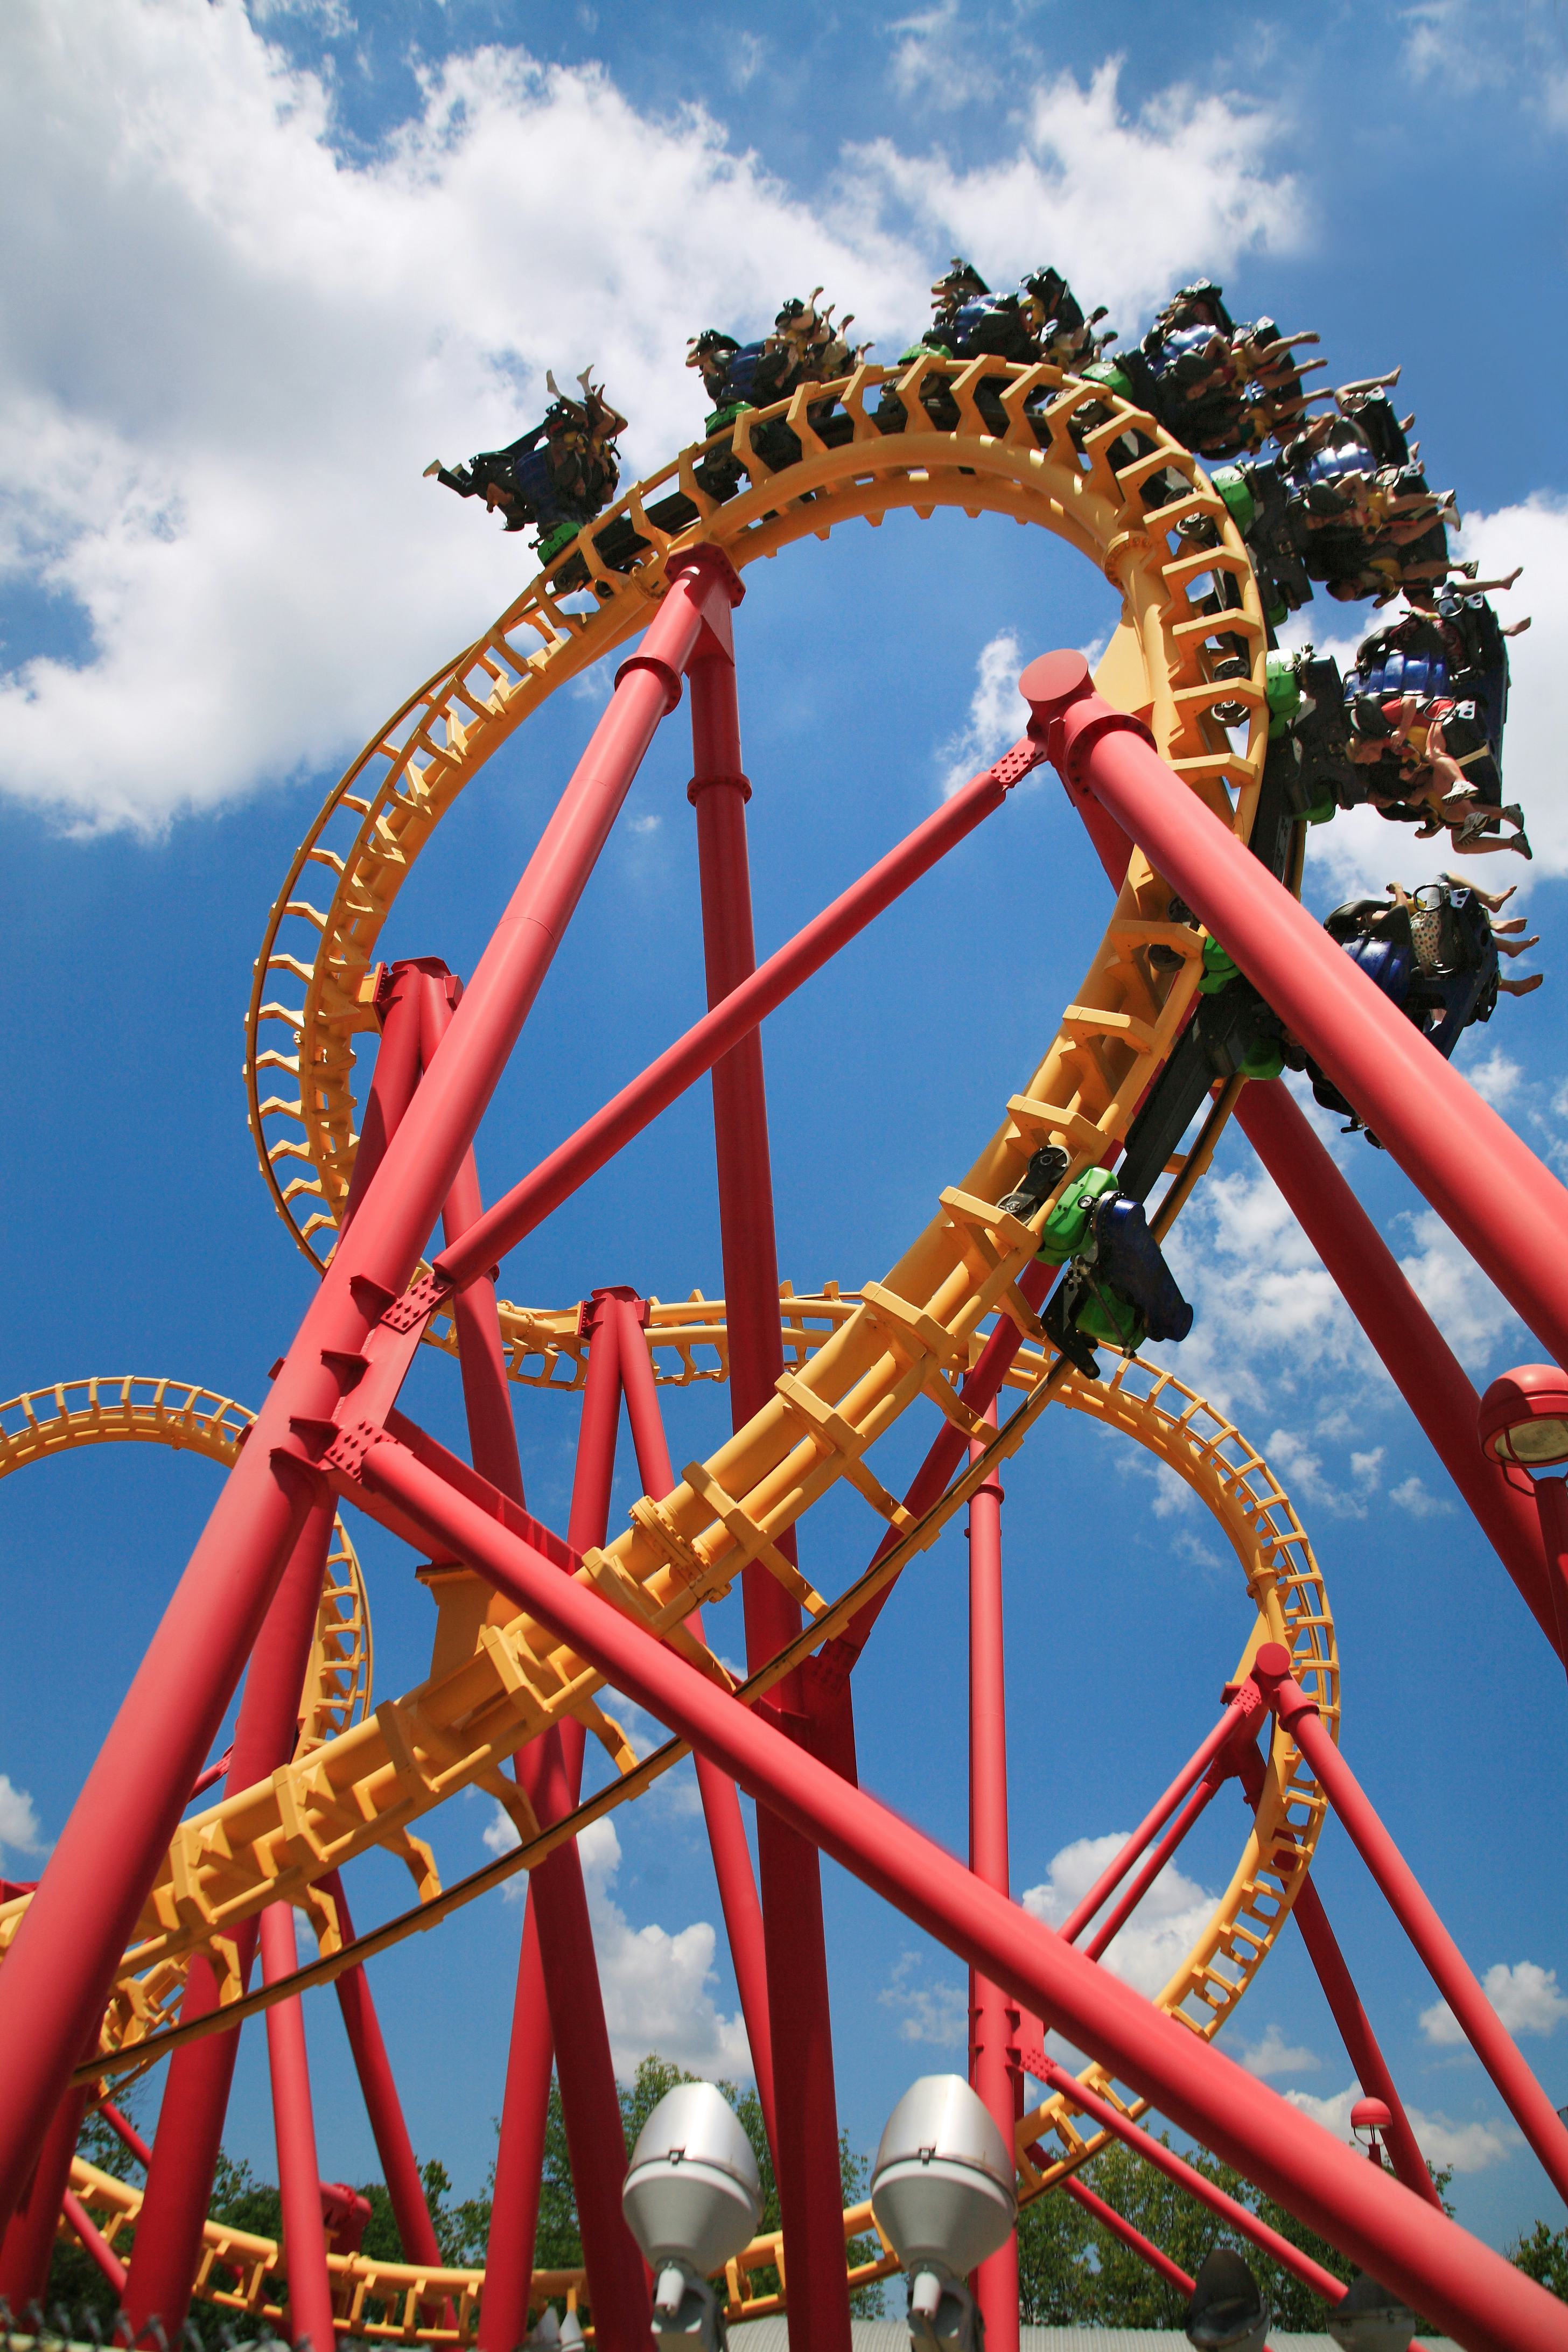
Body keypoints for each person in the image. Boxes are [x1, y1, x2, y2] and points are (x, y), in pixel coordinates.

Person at [424, 370, 627, 559]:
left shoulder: (513, 501)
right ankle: (445, 470)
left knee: (468, 488)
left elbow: (493, 492)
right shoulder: (517, 496)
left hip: (501, 476)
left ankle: (449, 471)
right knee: (467, 489)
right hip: (517, 474)